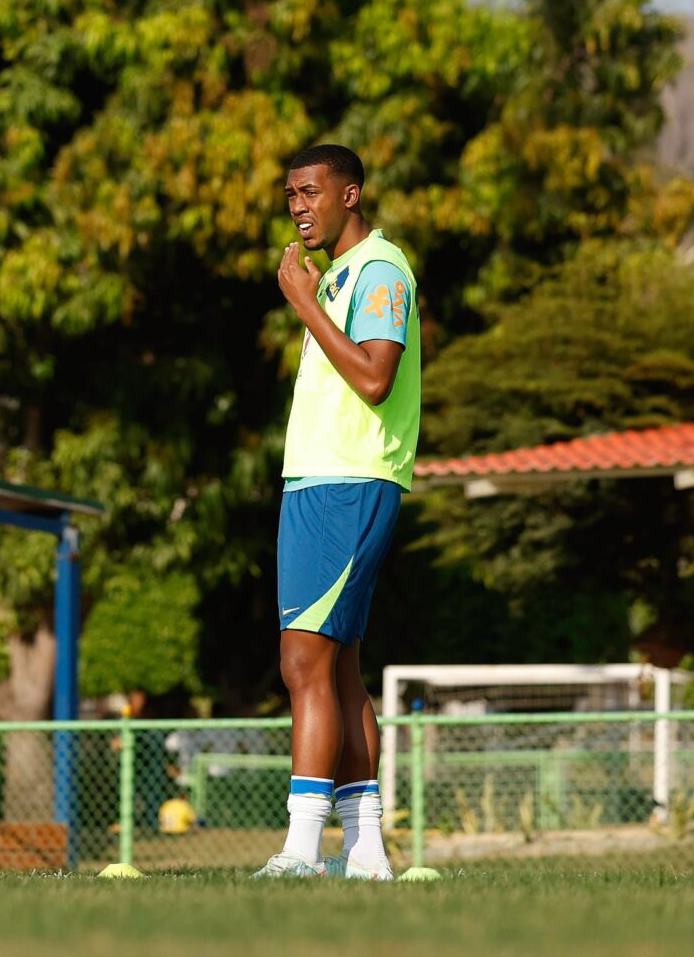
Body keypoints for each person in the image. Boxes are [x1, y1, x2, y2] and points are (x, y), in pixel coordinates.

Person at [255, 144, 420, 881]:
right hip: (318, 482)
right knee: (340, 668)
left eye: (312, 191)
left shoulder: (382, 268)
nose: (298, 206)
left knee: (303, 662)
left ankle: (299, 849)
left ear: (351, 194)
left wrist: (301, 301)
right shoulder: (344, 277)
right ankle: (366, 850)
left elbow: (376, 378)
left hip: (349, 482)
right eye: (291, 193)